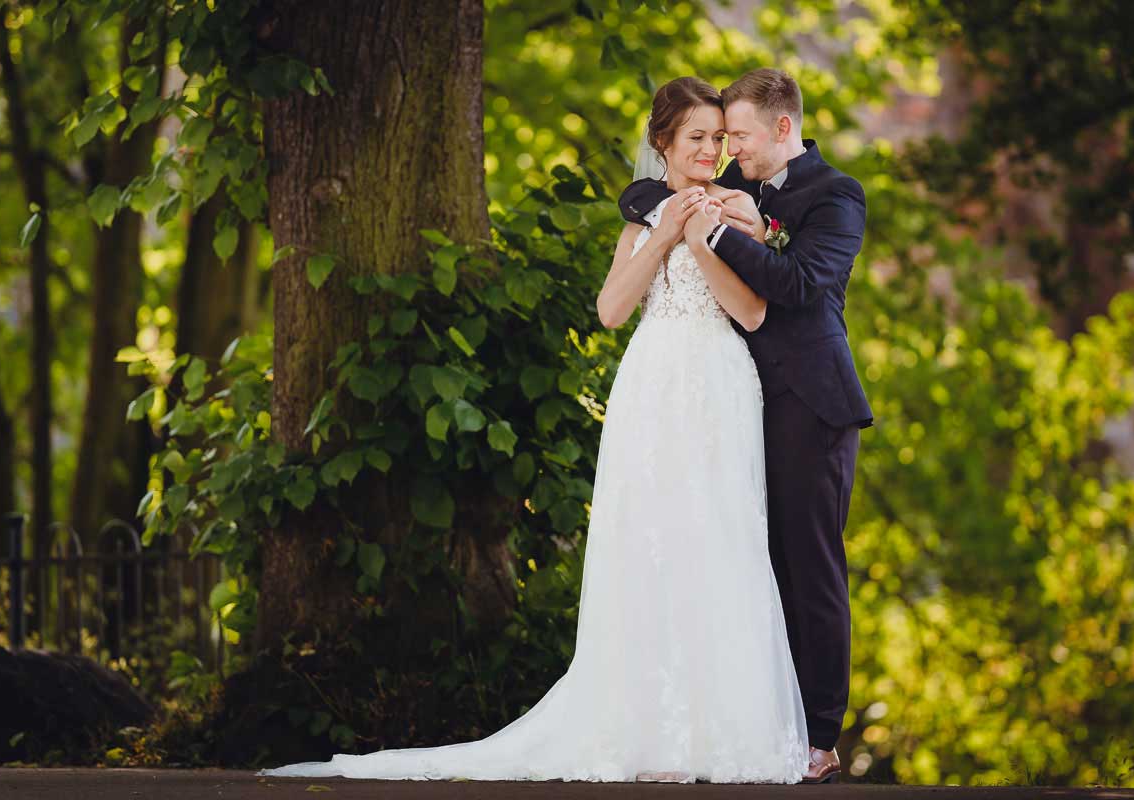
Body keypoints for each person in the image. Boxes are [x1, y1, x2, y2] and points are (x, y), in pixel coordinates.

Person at [258, 77, 810, 784]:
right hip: (654, 386)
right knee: (653, 541)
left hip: (722, 383)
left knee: (720, 537)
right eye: (697, 138)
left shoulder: (739, 211)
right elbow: (612, 310)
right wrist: (667, 231)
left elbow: (753, 313)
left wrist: (703, 238)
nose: (712, 150)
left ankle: (720, 729)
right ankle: (652, 730)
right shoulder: (642, 220)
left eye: (718, 138)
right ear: (663, 144)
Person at [619, 67, 874, 785]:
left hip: (811, 402)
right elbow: (646, 189)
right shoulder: (746, 182)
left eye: (739, 137)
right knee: (743, 568)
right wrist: (677, 206)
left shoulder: (836, 196)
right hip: (735, 405)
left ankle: (819, 738)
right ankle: (763, 727)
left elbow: (797, 284)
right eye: (722, 137)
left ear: (782, 129)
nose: (728, 150)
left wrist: (717, 230)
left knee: (807, 568)